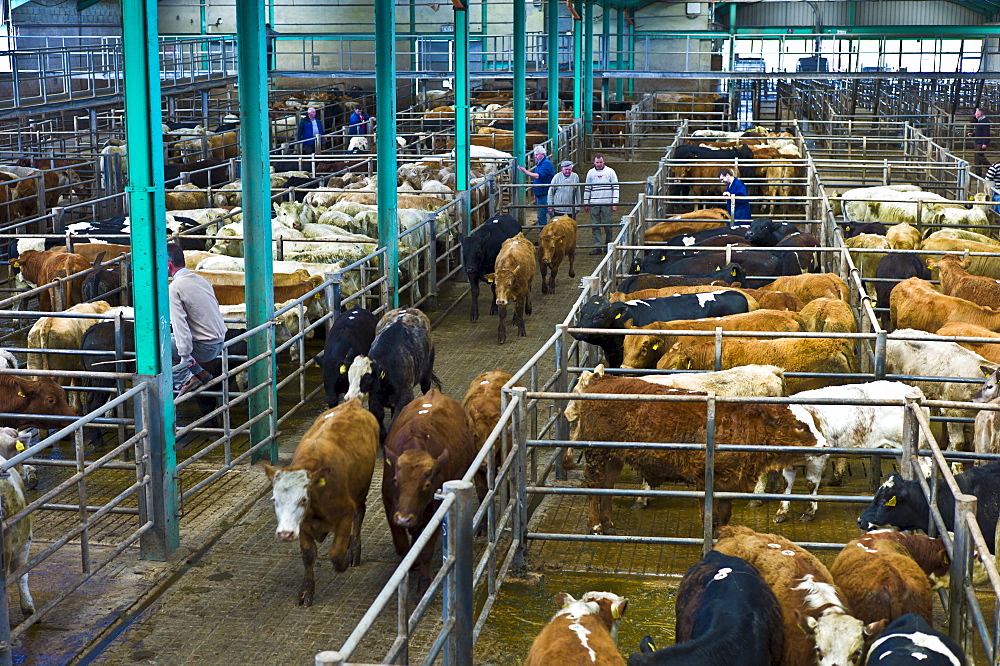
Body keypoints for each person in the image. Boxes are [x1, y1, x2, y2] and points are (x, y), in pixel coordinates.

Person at [167, 243, 227, 396]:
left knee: (158, 346)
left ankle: (186, 380)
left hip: (205, 347)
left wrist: (185, 357)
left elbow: (180, 325)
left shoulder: (175, 287)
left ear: (168, 265)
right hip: (219, 342)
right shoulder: (201, 279)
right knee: (170, 339)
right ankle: (200, 373)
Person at [583, 153, 619, 254]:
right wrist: (586, 202)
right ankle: (598, 246)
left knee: (608, 224)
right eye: (597, 162)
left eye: (600, 162)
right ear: (594, 162)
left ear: (604, 162)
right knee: (595, 225)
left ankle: (608, 244)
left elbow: (615, 187)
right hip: (594, 202)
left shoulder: (610, 172)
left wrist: (615, 202)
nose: (599, 164)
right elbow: (587, 188)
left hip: (607, 202)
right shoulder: (590, 173)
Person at [517, 145, 555, 226]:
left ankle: (556, 231)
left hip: (546, 193)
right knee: (541, 216)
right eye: (535, 154)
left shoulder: (546, 164)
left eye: (537, 154)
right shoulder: (540, 163)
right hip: (540, 193)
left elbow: (538, 176)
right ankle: (543, 233)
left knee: (550, 213)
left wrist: (526, 172)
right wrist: (535, 193)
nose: (535, 156)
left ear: (543, 154)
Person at [968, 107, 991, 177]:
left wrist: (985, 143)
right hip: (978, 141)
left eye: (976, 113)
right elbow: (980, 132)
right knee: (977, 157)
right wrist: (973, 134)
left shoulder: (985, 121)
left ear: (980, 114)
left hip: (981, 142)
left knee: (979, 156)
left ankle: (991, 168)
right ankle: (978, 173)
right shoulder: (980, 121)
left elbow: (986, 133)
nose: (975, 114)